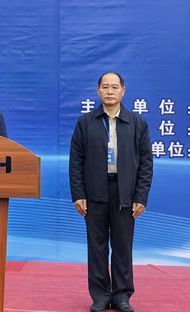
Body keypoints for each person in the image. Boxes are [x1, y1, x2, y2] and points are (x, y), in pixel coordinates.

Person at [69, 72, 153, 312]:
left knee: (123, 247)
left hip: (125, 192)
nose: (109, 91)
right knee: (97, 247)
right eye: (105, 87)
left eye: (114, 87)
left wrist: (140, 196)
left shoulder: (137, 123)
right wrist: (78, 194)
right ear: (98, 91)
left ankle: (122, 296)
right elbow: (76, 161)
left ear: (123, 91)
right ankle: (100, 296)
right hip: (95, 191)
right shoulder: (86, 123)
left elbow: (146, 163)